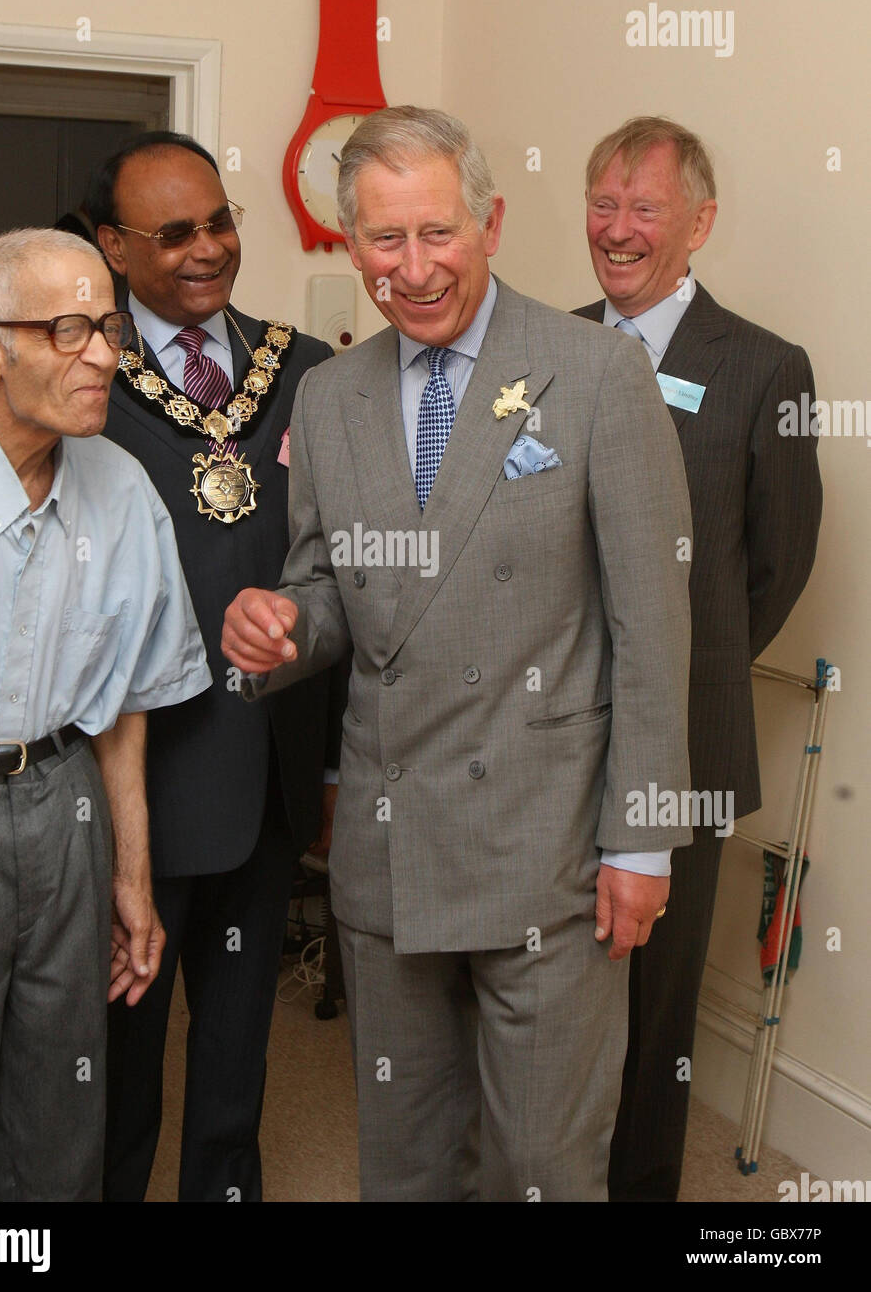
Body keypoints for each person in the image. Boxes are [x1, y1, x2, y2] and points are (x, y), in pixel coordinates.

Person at [222, 106, 693, 1202]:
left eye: (438, 233)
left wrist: (645, 843)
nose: (415, 267)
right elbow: (329, 589)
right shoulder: (328, 394)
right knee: (406, 1155)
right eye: (385, 241)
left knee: (541, 1162)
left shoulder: (596, 372)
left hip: (553, 845)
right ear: (351, 245)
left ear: (489, 221)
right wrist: (284, 629)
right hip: (390, 853)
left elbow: (652, 627)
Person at [0, 228, 211, 1201]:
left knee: (60, 1104)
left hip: (67, 800)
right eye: (69, 328)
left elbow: (123, 713)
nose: (103, 355)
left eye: (109, 326)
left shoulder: (123, 491)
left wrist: (130, 875)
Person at [87, 132, 343, 1203]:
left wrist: (330, 767)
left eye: (221, 221)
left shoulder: (310, 371)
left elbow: (336, 566)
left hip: (270, 776)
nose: (207, 248)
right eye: (174, 231)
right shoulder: (83, 375)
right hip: (136, 784)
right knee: (117, 1070)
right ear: (114, 246)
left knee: (237, 1069)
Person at [574, 115, 822, 1202]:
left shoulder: (767, 368)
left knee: (656, 1003)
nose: (617, 231)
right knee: (547, 984)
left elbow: (776, 565)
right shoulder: (547, 346)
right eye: (603, 205)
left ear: (698, 223)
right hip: (546, 724)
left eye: (645, 210)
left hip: (689, 736)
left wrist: (681, 669)